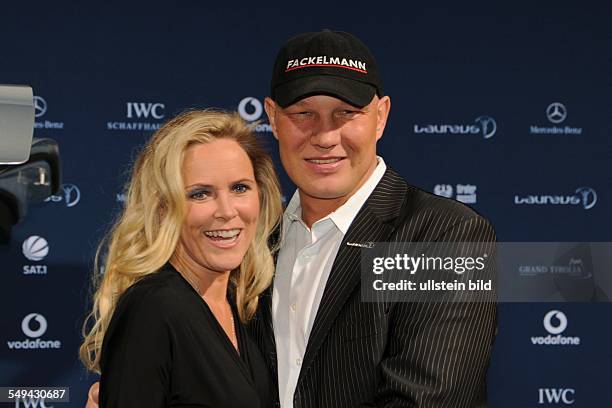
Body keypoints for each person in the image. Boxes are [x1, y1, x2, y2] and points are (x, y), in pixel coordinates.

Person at [88, 30, 497, 407]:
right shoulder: (252, 249)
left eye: (346, 113)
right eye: (303, 113)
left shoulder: (445, 238)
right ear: (273, 117)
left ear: (381, 116)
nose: (324, 136)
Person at [80, 110, 283, 407]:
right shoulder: (153, 308)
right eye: (200, 194)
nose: (227, 211)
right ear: (163, 208)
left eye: (240, 188)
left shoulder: (244, 303)